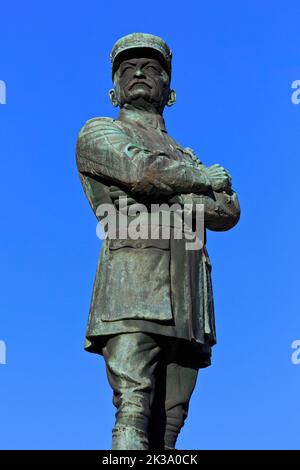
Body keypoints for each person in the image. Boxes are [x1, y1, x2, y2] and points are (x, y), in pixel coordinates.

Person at [76, 33, 240, 450]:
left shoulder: (185, 154)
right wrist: (198, 183)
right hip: (133, 285)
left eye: (151, 69)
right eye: (127, 69)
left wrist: (163, 193)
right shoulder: (99, 132)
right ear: (113, 88)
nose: (138, 74)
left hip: (188, 293)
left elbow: (227, 211)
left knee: (171, 420)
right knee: (133, 403)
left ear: (171, 91)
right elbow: (139, 171)